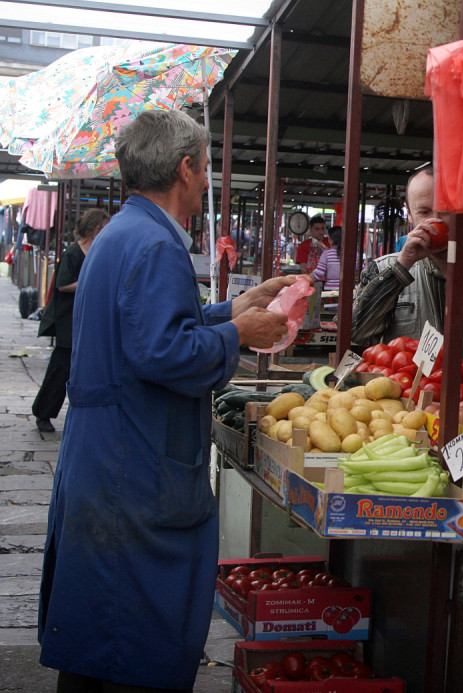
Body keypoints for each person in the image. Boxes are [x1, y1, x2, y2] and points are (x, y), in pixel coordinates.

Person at [37, 109, 294, 692]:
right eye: (205, 169)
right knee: (130, 634)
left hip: (108, 455)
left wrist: (234, 307)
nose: (207, 182)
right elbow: (162, 352)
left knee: (99, 633)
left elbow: (153, 325)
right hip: (135, 461)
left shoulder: (126, 233)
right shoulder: (155, 243)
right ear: (184, 168)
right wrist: (240, 336)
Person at [352, 168, 463, 373]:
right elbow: (356, 333)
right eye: (424, 212)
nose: (436, 221)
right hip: (411, 401)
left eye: (446, 211)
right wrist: (403, 264)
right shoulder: (384, 270)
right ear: (410, 214)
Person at [32, 209, 110, 433]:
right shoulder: (74, 253)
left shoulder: (94, 251)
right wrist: (90, 282)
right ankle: (43, 412)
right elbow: (62, 284)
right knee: (60, 369)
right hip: (68, 320)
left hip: (86, 319)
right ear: (95, 229)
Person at [312, 225, 342, 291]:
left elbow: (318, 275)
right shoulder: (354, 254)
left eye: (328, 238)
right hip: (352, 292)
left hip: (331, 292)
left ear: (331, 240)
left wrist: (306, 278)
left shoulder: (327, 254)